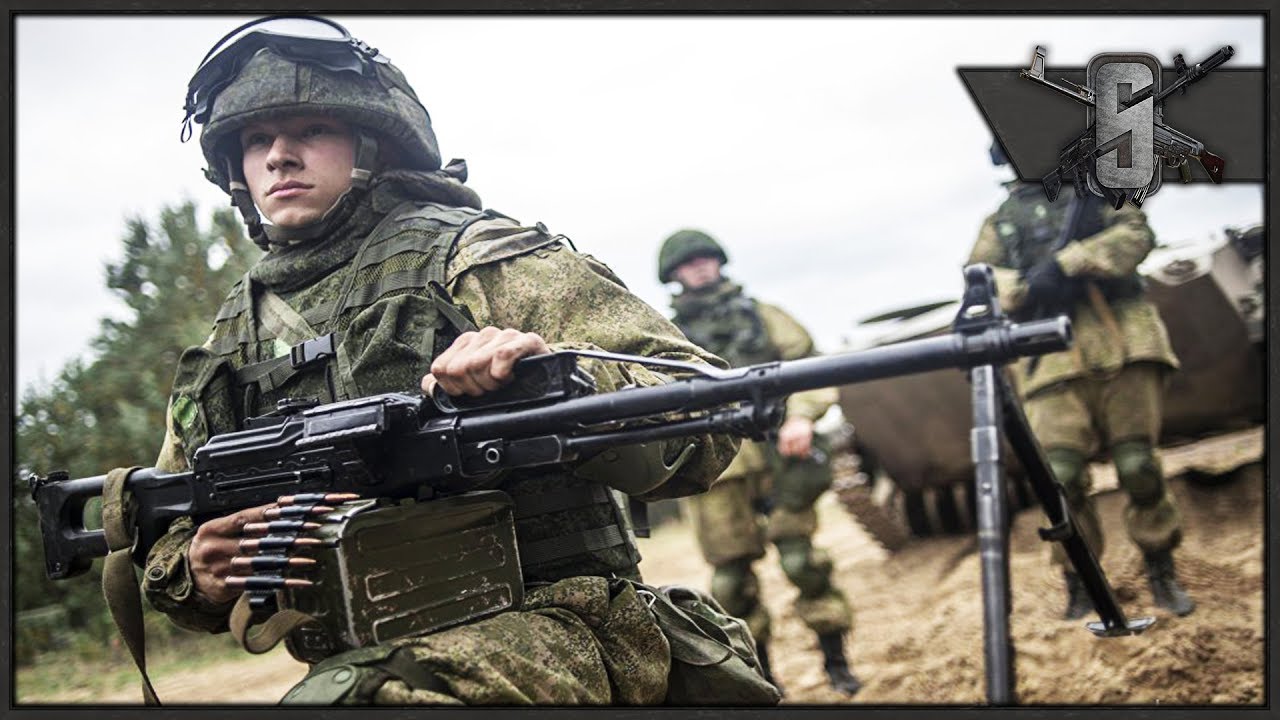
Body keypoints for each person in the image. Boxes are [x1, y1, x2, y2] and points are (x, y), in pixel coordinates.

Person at [134, 16, 782, 705]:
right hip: (368, 655)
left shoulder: (480, 262)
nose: (278, 157)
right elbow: (173, 518)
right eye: (257, 140)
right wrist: (197, 573)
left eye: (312, 131)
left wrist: (550, 380)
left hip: (563, 621)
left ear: (374, 145)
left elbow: (703, 407)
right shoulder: (229, 342)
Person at [967, 145, 1194, 619]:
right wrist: (1025, 288)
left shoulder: (1098, 189)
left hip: (1122, 340)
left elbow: (1135, 234)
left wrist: (1070, 263)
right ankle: (1080, 581)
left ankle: (1161, 569)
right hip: (1048, 359)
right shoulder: (1001, 220)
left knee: (1138, 466)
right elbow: (981, 277)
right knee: (1060, 477)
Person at [657, 229, 861, 696]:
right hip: (716, 472)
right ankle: (763, 680)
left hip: (780, 456)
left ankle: (837, 663)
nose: (700, 268)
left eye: (707, 259)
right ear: (674, 276)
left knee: (803, 562)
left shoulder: (762, 316)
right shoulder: (664, 333)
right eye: (689, 264)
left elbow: (811, 366)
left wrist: (802, 416)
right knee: (731, 585)